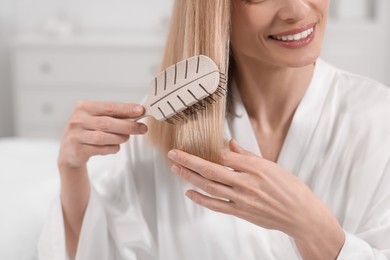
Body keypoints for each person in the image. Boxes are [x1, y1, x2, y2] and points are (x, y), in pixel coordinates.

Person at [38, 0, 390, 259]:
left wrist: (312, 227)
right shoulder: (167, 129)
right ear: (214, 9)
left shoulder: (376, 118)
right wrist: (71, 169)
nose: (297, 10)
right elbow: (102, 247)